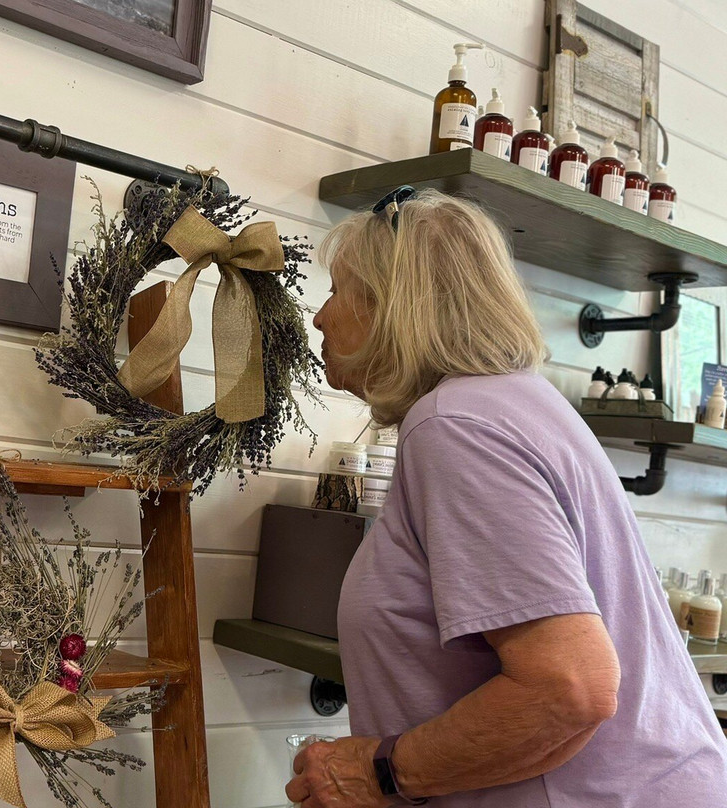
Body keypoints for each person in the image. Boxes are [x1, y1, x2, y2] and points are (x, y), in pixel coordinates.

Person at [285, 187, 727, 807]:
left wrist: (380, 772)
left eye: (335, 290)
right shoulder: (518, 405)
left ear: (393, 303)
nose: (320, 315)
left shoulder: (456, 424)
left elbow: (569, 689)